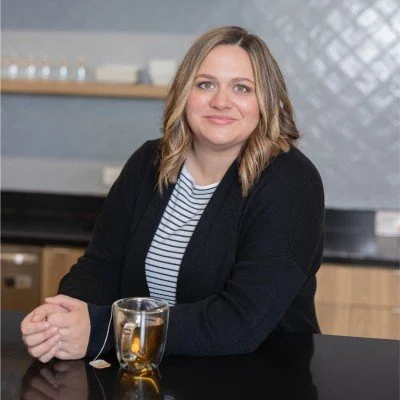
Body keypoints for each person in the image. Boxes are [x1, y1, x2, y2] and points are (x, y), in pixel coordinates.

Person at [21, 25, 325, 363]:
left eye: (242, 88)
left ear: (266, 102)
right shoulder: (149, 161)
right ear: (184, 93)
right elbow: (102, 264)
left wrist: (102, 329)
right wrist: (65, 316)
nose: (220, 102)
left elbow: (242, 321)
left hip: (260, 375)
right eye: (205, 84)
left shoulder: (291, 181)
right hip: (149, 369)